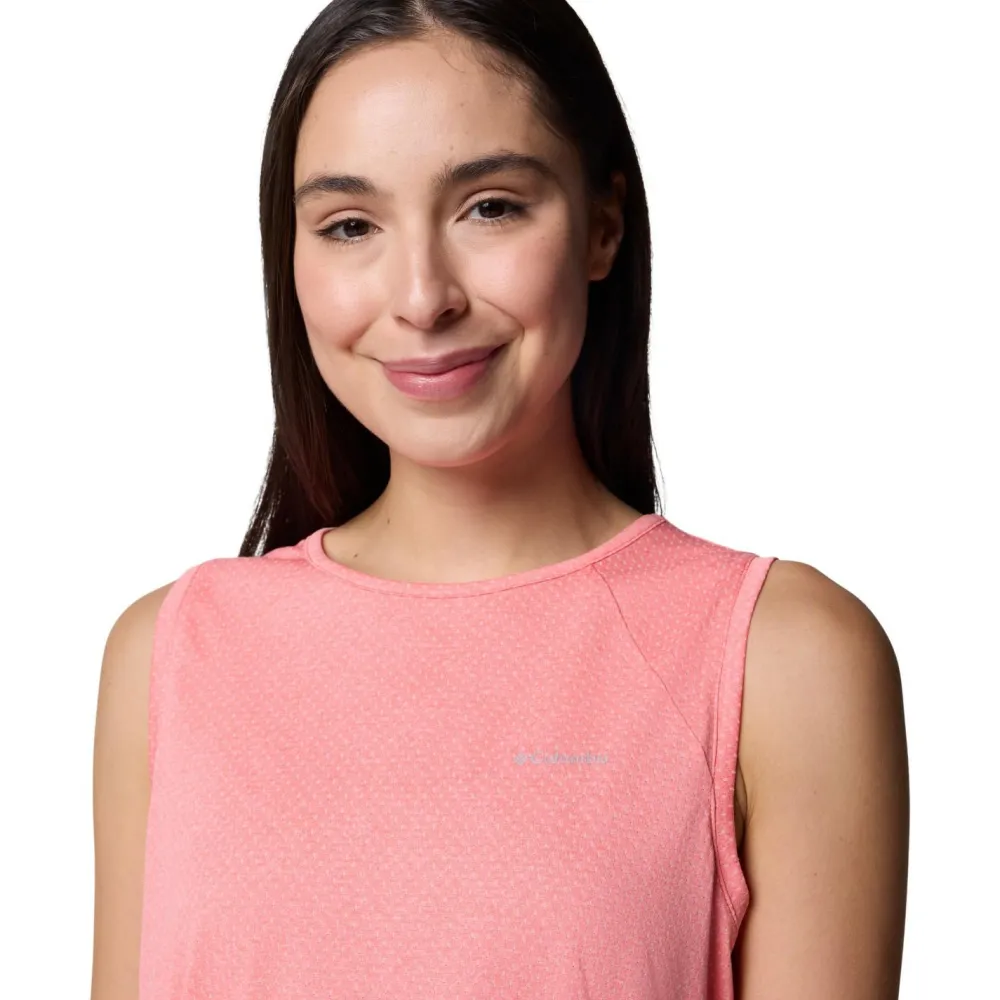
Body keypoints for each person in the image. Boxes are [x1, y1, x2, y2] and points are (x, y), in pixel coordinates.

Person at [91, 1, 909, 998]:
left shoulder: (782, 659)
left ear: (603, 225)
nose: (422, 296)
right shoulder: (169, 654)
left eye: (490, 208)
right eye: (349, 226)